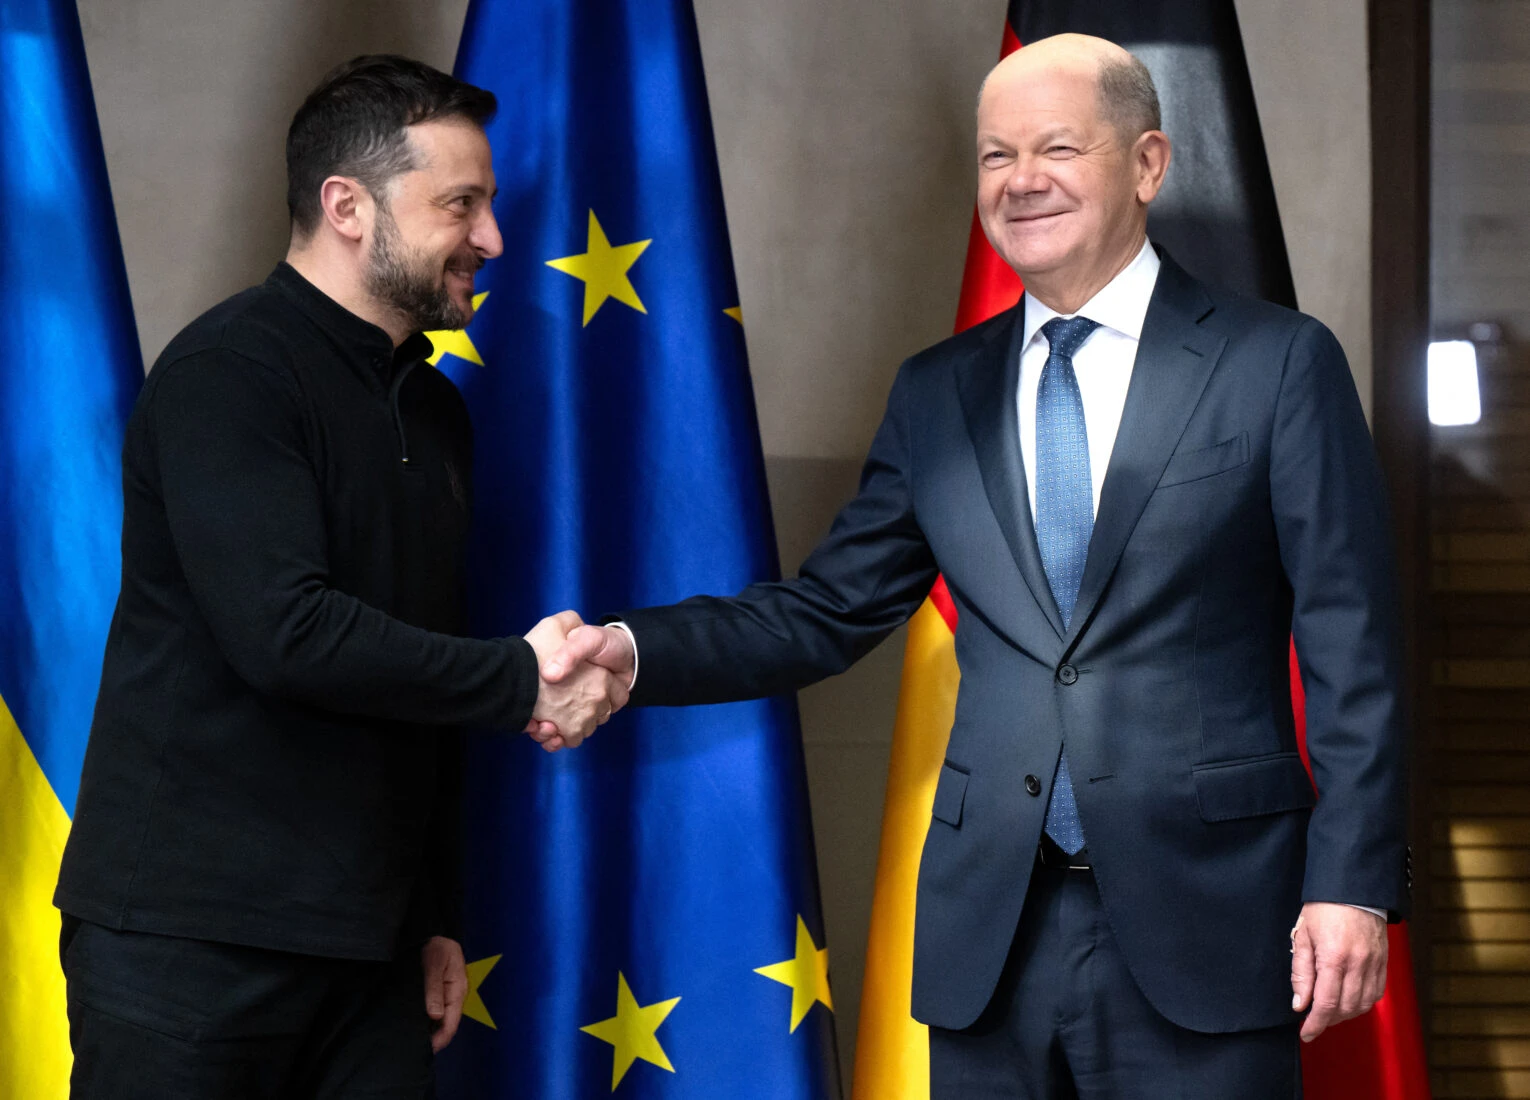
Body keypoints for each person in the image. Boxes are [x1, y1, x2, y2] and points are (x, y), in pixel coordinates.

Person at [542, 34, 1407, 1098]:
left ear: (1148, 163)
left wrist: (1354, 884)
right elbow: (824, 609)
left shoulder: (1277, 362)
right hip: (990, 936)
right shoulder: (936, 390)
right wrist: (632, 649)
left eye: (1056, 147)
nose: (1021, 179)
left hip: (1211, 919)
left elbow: (1352, 640)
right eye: (996, 156)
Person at [54, 55, 623, 1099]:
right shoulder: (230, 374)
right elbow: (287, 631)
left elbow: (416, 673)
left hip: (371, 949)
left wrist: (434, 912)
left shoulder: (437, 410)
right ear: (347, 206)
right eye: (463, 204)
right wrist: (523, 679)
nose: (492, 238)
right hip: (189, 944)